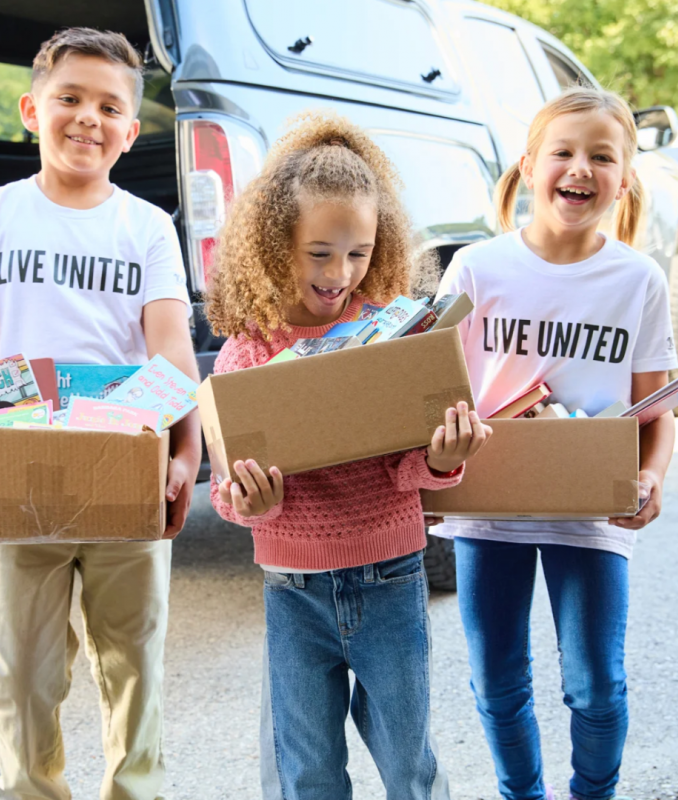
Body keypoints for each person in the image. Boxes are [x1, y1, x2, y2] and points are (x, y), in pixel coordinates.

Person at [0, 28, 201, 800]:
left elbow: (171, 352)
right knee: (20, 671)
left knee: (135, 662)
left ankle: (134, 791)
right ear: (30, 110)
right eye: (69, 98)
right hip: (18, 471)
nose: (87, 118)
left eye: (109, 106)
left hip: (124, 468)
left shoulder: (145, 226)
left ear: (131, 131)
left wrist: (184, 454)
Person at [205, 112, 492, 800]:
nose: (341, 273)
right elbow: (225, 489)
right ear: (277, 246)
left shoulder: (390, 332)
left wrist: (443, 457)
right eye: (320, 252)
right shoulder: (247, 351)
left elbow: (407, 465)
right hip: (292, 588)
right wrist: (250, 500)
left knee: (408, 764)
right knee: (307, 771)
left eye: (359, 252)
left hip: (389, 573)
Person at [435, 87, 678, 800]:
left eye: (601, 156)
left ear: (624, 178)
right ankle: (522, 794)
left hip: (591, 511)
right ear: (528, 165)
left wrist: (653, 477)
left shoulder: (638, 279)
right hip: (490, 506)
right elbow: (431, 387)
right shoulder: (478, 268)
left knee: (597, 686)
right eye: (563, 152)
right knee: (498, 680)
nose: (581, 168)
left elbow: (655, 409)